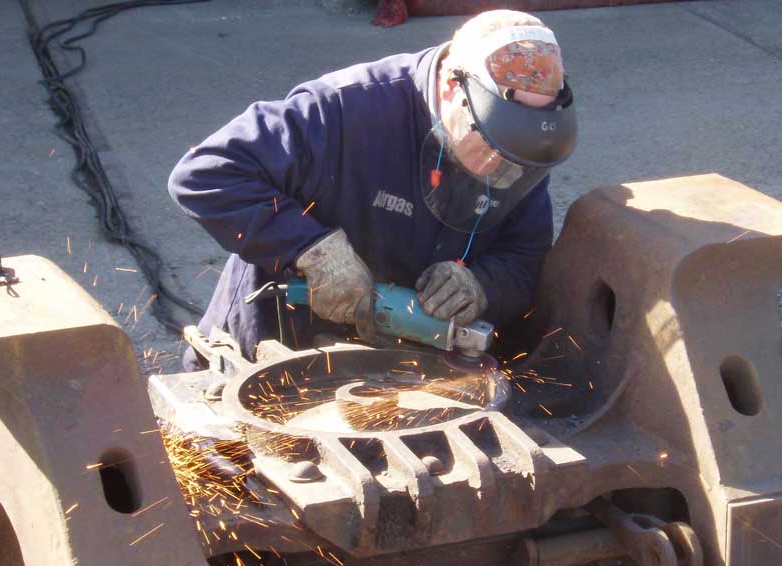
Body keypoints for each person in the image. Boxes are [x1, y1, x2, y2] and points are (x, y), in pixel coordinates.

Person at [168, 9, 576, 370]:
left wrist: (482, 285)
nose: (500, 169)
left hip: (404, 375)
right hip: (273, 353)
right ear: (454, 92)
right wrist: (309, 250)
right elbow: (204, 174)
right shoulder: (345, 109)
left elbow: (524, 256)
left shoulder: (517, 149)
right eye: (491, 148)